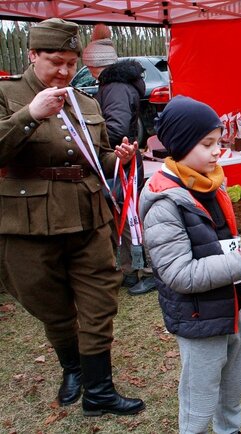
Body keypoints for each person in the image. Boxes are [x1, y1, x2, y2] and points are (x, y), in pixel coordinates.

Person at [0, 18, 144, 417]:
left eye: (70, 63)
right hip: (29, 223)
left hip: (88, 217)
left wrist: (119, 159)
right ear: (33, 55)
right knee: (52, 306)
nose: (64, 71)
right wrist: (30, 114)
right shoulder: (7, 94)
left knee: (99, 303)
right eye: (55, 62)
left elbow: (97, 158)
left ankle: (100, 391)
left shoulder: (86, 102)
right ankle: (74, 369)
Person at [139, 95, 241, 434]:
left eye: (218, 142)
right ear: (181, 144)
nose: (218, 151)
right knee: (199, 401)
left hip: (230, 308)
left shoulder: (211, 183)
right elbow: (180, 274)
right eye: (207, 144)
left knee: (231, 390)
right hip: (198, 318)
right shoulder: (164, 203)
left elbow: (227, 241)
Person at [82, 24, 156, 296]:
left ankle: (145, 271)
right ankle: (130, 269)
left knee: (129, 218)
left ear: (94, 65)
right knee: (122, 218)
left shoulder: (114, 88)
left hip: (121, 161)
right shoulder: (117, 86)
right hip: (121, 160)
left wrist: (90, 137)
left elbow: (117, 128)